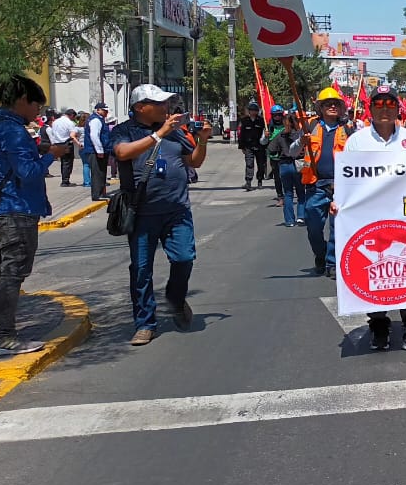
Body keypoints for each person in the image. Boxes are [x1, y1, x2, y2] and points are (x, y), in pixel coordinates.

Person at [343, 84, 406, 354]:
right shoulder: (356, 141)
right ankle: (379, 324)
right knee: (376, 272)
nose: (384, 109)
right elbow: (347, 180)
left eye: (390, 105)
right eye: (379, 104)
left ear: (397, 109)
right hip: (370, 218)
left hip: (405, 217)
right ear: (371, 108)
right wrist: (338, 202)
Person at [110, 84, 212, 345]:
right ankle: (145, 323)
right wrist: (159, 135)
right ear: (140, 107)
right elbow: (121, 153)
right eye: (159, 103)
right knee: (142, 270)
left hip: (177, 210)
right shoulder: (125, 131)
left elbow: (194, 162)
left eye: (166, 103)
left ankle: (175, 298)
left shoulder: (175, 132)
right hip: (142, 213)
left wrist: (203, 140)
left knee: (184, 258)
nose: (166, 107)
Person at [0, 75, 70, 355]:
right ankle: (4, 336)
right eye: (36, 106)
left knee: (2, 270)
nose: (38, 112)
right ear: (21, 101)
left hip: (0, 207)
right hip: (16, 208)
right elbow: (28, 173)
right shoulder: (13, 130)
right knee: (13, 272)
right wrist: (51, 154)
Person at [296, 87, 352, 277]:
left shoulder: (348, 129)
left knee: (338, 228)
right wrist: (301, 143)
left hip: (341, 187)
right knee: (313, 227)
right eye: (328, 104)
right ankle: (320, 254)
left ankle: (332, 263)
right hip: (315, 186)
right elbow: (291, 151)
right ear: (320, 107)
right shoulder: (309, 127)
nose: (332, 107)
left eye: (336, 104)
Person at [267, 112, 306, 227]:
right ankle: (301, 216)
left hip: (284, 165)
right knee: (300, 192)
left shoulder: (280, 135)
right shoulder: (301, 134)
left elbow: (271, 149)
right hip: (298, 164)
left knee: (288, 193)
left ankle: (289, 220)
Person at [83, 102, 112, 200]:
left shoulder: (100, 119)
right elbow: (94, 136)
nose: (106, 112)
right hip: (95, 151)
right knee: (97, 173)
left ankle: (101, 193)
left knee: (102, 172)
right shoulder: (95, 120)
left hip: (100, 150)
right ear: (98, 110)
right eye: (104, 110)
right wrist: (99, 150)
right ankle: (96, 195)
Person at [237, 101, 268, 191]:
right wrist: (241, 146)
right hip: (248, 146)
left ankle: (260, 181)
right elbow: (241, 135)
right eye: (251, 110)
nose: (253, 112)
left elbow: (265, 133)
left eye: (255, 110)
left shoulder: (261, 121)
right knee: (249, 164)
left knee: (261, 165)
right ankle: (248, 182)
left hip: (260, 146)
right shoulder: (244, 121)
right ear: (249, 111)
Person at [262, 105, 288, 206]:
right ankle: (280, 196)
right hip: (274, 157)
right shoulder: (269, 127)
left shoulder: (287, 126)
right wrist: (265, 136)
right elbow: (263, 142)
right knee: (277, 178)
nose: (277, 117)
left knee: (286, 177)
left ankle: (288, 195)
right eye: (275, 115)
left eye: (279, 115)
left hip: (286, 156)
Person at [48, 107, 78, 185]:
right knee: (68, 162)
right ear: (71, 115)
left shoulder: (55, 122)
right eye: (74, 117)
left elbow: (53, 133)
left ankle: (64, 178)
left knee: (63, 162)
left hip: (57, 143)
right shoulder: (70, 123)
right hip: (67, 143)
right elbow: (72, 134)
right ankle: (65, 180)